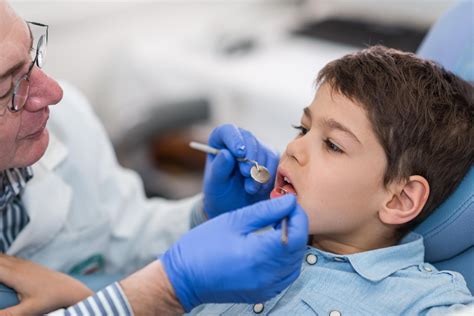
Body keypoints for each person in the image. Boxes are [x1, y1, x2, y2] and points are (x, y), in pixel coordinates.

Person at [6, 45, 473, 315]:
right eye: (303, 128)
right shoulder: (234, 262)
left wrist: (206, 216)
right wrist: (95, 301)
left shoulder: (427, 301)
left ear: (400, 198)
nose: (293, 148)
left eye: (331, 144)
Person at [0, 0, 309, 314]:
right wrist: (162, 292)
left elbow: (120, 233)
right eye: (9, 85)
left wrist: (201, 218)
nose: (53, 92)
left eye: (32, 56)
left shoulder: (64, 121)